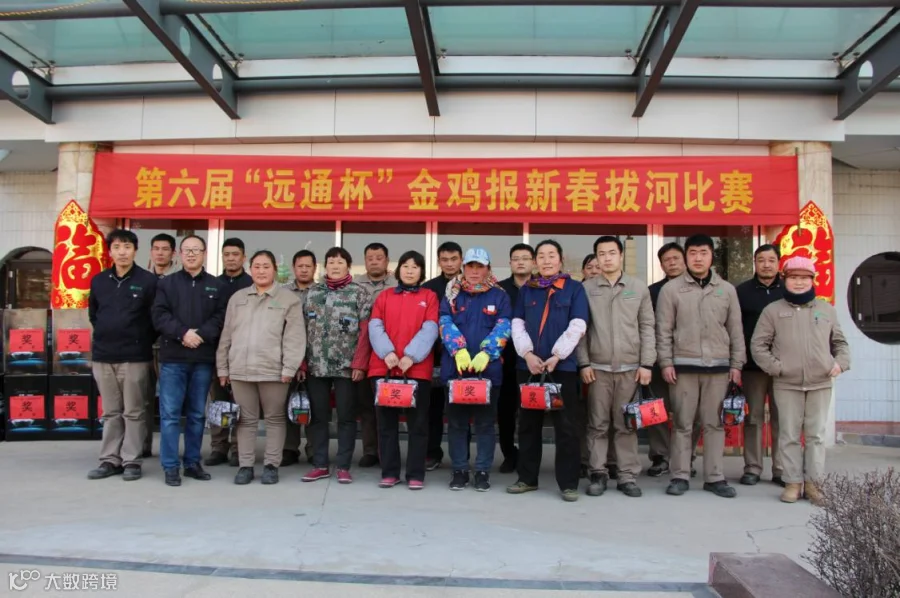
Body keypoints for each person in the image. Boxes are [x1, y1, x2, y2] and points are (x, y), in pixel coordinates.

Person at [751, 256, 850, 505]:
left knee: (816, 435)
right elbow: (758, 345)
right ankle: (792, 482)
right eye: (793, 277)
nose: (798, 282)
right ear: (785, 280)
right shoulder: (773, 311)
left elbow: (840, 343)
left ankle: (814, 484)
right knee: (789, 435)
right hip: (787, 384)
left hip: (820, 383)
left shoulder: (826, 310)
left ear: (812, 280)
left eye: (804, 278)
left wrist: (840, 363)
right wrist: (777, 368)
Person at [656, 234, 745, 499]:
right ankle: (680, 475)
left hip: (718, 367)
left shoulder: (726, 290)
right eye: (692, 253)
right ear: (686, 256)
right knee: (682, 423)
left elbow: (736, 330)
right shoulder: (671, 290)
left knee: (714, 424)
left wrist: (736, 364)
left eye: (703, 253)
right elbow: (663, 330)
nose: (697, 258)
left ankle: (715, 477)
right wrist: (665, 362)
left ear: (711, 256)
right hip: (683, 367)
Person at [507, 239, 589, 502]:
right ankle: (527, 478)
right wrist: (527, 354)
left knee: (566, 427)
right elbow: (517, 324)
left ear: (560, 260)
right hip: (529, 367)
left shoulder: (574, 289)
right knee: (528, 425)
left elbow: (578, 325)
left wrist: (557, 355)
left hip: (561, 367)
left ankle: (568, 483)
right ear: (535, 262)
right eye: (541, 256)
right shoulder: (527, 290)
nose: (546, 260)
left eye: (551, 255)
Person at [217, 250, 306, 485]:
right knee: (245, 420)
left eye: (266, 266)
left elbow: (295, 337)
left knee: (275, 419)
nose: (261, 271)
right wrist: (222, 368)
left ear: (274, 269)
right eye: (256, 266)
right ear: (250, 269)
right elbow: (227, 335)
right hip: (240, 369)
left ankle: (271, 465)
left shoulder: (288, 299)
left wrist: (289, 368)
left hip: (273, 370)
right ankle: (245, 466)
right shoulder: (238, 298)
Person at [577, 236, 655, 498]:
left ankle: (626, 476)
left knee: (626, 425)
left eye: (612, 252)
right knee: (597, 424)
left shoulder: (638, 287)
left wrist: (646, 363)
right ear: (596, 258)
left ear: (621, 255)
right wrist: (583, 362)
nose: (607, 258)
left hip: (630, 369)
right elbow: (581, 330)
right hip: (597, 369)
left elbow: (647, 327)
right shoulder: (586, 289)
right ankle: (597, 473)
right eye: (602, 253)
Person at [152, 235, 226, 487]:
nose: (192, 254)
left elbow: (220, 317)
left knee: (196, 414)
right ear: (179, 254)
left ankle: (193, 462)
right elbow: (159, 315)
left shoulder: (216, 285)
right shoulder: (167, 284)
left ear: (205, 253)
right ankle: (170, 465)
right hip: (173, 358)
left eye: (196, 250)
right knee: (170, 415)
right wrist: (183, 333)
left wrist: (200, 335)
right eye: (187, 250)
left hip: (202, 359)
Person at [87, 229, 157, 482]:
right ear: (110, 252)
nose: (122, 252)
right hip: (103, 355)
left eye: (127, 247)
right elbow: (94, 315)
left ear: (135, 250)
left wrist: (140, 340)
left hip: (134, 357)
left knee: (134, 411)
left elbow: (155, 319)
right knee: (111, 412)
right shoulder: (99, 281)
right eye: (117, 247)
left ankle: (131, 460)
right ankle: (109, 459)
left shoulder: (148, 281)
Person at [440, 247, 511, 492]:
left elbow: (504, 325)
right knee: (457, 424)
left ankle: (482, 470)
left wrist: (487, 352)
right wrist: (458, 349)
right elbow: (444, 321)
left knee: (485, 425)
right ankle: (459, 469)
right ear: (464, 268)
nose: (474, 271)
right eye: (470, 266)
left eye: (479, 266)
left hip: (488, 372)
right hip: (456, 371)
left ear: (488, 269)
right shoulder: (451, 294)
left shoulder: (499, 296)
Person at [368, 250, 439, 490]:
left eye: (415, 267)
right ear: (398, 270)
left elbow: (431, 328)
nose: (410, 271)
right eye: (406, 266)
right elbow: (375, 326)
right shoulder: (385, 296)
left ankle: (415, 474)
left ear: (421, 271)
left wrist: (411, 355)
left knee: (418, 425)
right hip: (384, 368)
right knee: (386, 425)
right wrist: (387, 352)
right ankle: (390, 472)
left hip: (416, 370)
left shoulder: (429, 297)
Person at [302, 247, 371, 485]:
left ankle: (343, 466)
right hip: (316, 365)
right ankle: (320, 464)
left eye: (340, 262)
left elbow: (365, 332)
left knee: (346, 417)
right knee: (318, 417)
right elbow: (301, 329)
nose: (335, 266)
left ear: (348, 266)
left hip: (346, 367)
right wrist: (302, 363)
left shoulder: (359, 293)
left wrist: (360, 363)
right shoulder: (313, 293)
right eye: (331, 262)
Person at [646, 242, 701, 478]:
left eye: (676, 258)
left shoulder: (699, 288)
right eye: (666, 260)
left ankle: (686, 456)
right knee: (657, 409)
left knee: (690, 413)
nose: (672, 263)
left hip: (690, 361)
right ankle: (660, 456)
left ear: (685, 260)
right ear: (661, 265)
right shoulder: (652, 292)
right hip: (659, 360)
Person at [736, 244, 785, 487]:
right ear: (754, 263)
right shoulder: (741, 291)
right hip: (752, 368)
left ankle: (781, 469)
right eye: (761, 260)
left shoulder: (788, 290)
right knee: (753, 418)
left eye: (771, 260)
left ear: (778, 263)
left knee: (782, 419)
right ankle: (753, 468)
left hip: (783, 368)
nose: (766, 265)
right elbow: (734, 328)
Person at [205, 238, 253, 467]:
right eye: (227, 254)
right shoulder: (213, 284)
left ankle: (238, 448)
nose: (231, 258)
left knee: (242, 403)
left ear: (244, 257)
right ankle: (218, 446)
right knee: (219, 401)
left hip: (246, 352)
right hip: (219, 351)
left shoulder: (252, 284)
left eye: (235, 254)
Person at [353, 242, 398, 468]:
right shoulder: (354, 285)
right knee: (367, 405)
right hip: (362, 353)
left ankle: (388, 452)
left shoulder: (397, 284)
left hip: (391, 353)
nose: (374, 262)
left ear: (387, 261)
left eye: (379, 258)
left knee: (389, 405)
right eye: (370, 258)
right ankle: (370, 451)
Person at [422, 241, 464, 471]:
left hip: (464, 357)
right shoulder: (429, 288)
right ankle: (432, 452)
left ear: (461, 260)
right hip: (435, 356)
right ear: (439, 262)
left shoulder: (471, 285)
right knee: (433, 409)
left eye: (453, 259)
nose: (449, 264)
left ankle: (462, 456)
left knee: (461, 408)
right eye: (445, 260)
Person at [497, 243, 534, 473]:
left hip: (534, 360)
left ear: (533, 262)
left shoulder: (542, 287)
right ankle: (509, 454)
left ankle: (529, 456)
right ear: (510, 263)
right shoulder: (500, 290)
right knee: (505, 410)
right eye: (516, 258)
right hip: (506, 359)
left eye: (525, 258)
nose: (520, 262)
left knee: (531, 410)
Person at [144, 232, 179, 458]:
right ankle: (142, 446)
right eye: (156, 249)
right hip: (144, 346)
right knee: (143, 400)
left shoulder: (178, 280)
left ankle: (170, 451)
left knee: (170, 403)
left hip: (171, 346)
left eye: (165, 249)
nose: (160, 253)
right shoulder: (143, 279)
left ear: (173, 253)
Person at [282, 249, 317, 467]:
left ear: (315, 268)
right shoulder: (283, 293)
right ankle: (289, 448)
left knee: (313, 405)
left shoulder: (322, 292)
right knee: (287, 403)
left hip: (315, 358)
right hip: (287, 358)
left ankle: (314, 448)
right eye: (300, 266)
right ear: (294, 268)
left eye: (308, 266)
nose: (304, 270)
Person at [579, 252, 607, 479]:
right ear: (583, 271)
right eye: (590, 267)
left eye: (598, 267)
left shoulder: (610, 293)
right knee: (582, 415)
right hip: (581, 364)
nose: (594, 271)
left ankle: (609, 461)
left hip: (607, 364)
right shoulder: (576, 292)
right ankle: (583, 459)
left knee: (605, 417)